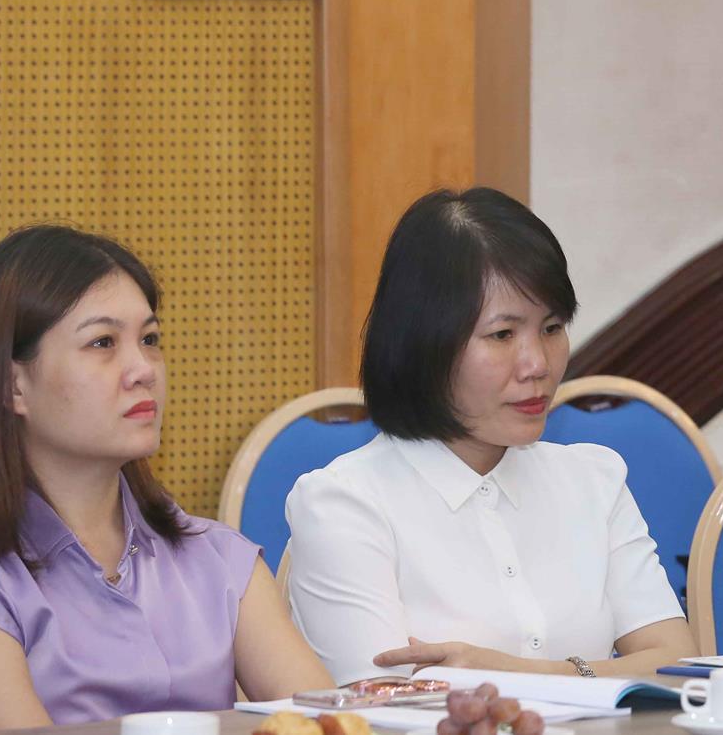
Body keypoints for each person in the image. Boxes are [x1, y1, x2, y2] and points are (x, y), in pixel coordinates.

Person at [0, 226, 329, 734]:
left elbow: (328, 726)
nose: (142, 369)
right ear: (12, 384)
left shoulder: (216, 559)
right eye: (102, 342)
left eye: (150, 340)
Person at [285, 187, 694, 683]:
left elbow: (675, 665)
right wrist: (595, 677)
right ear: (424, 345)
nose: (537, 364)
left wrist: (515, 673)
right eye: (502, 335)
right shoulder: (345, 504)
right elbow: (384, 704)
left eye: (552, 328)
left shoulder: (593, 480)